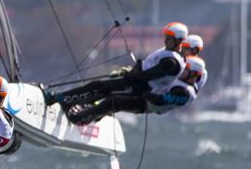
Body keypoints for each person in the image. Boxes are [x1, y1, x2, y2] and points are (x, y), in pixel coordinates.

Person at [45, 22, 188, 110]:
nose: (165, 41)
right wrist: (135, 68)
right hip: (134, 81)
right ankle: (64, 100)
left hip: (139, 87)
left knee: (100, 89)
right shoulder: (168, 53)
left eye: (169, 39)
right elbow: (147, 67)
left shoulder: (171, 63)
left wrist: (131, 74)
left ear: (178, 41)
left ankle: (58, 99)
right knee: (98, 87)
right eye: (166, 37)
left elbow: (149, 75)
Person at [67, 56, 205, 125]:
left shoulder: (185, 93)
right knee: (108, 91)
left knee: (114, 102)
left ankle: (80, 117)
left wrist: (142, 88)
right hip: (144, 97)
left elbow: (160, 100)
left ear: (194, 74)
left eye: (186, 70)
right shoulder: (182, 81)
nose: (182, 71)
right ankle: (90, 111)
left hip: (145, 104)